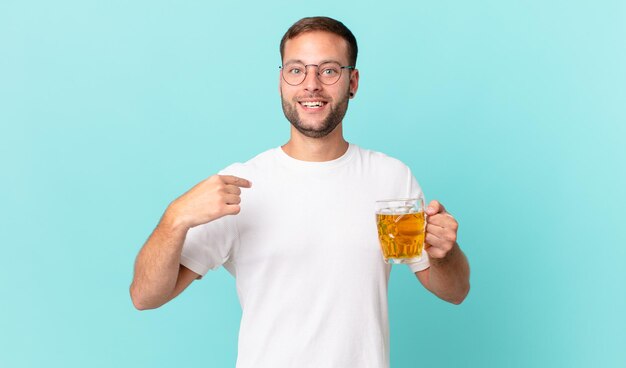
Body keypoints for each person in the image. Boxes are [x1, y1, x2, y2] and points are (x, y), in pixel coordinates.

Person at [130, 16, 470, 368]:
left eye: (328, 71)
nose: (311, 85)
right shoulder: (241, 185)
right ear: (281, 81)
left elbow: (455, 291)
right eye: (296, 70)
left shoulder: (390, 177)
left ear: (352, 82)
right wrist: (175, 219)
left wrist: (446, 254)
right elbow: (145, 296)